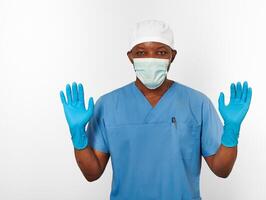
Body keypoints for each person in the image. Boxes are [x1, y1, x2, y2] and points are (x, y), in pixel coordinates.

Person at [59, 19, 252, 200]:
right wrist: (77, 135)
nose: (150, 59)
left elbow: (222, 169)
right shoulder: (108, 105)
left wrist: (231, 129)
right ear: (130, 57)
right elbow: (92, 173)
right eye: (141, 53)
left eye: (160, 52)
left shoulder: (197, 103)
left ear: (172, 56)